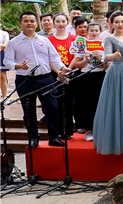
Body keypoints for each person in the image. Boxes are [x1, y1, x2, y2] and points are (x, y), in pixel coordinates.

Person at [3, 12, 68, 147]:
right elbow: (7, 60)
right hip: (25, 81)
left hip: (46, 79)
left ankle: (53, 137)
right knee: (29, 110)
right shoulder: (14, 42)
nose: (29, 23)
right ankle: (33, 137)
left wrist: (62, 67)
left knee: (52, 108)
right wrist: (17, 66)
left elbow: (54, 57)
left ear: (37, 24)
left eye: (32, 21)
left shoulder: (44, 40)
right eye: (26, 21)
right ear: (20, 24)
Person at [93, 11, 123, 155]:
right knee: (118, 105)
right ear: (111, 23)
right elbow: (106, 57)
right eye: (117, 22)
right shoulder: (109, 38)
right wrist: (114, 55)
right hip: (117, 74)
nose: (120, 24)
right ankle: (117, 141)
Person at [47, 13, 76, 137]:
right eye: (57, 21)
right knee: (56, 103)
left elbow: (76, 56)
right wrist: (58, 71)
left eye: (63, 21)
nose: (60, 24)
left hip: (71, 71)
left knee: (69, 102)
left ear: (67, 22)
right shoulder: (48, 40)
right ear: (53, 23)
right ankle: (58, 131)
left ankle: (68, 130)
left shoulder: (74, 38)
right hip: (54, 73)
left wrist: (68, 70)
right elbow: (47, 58)